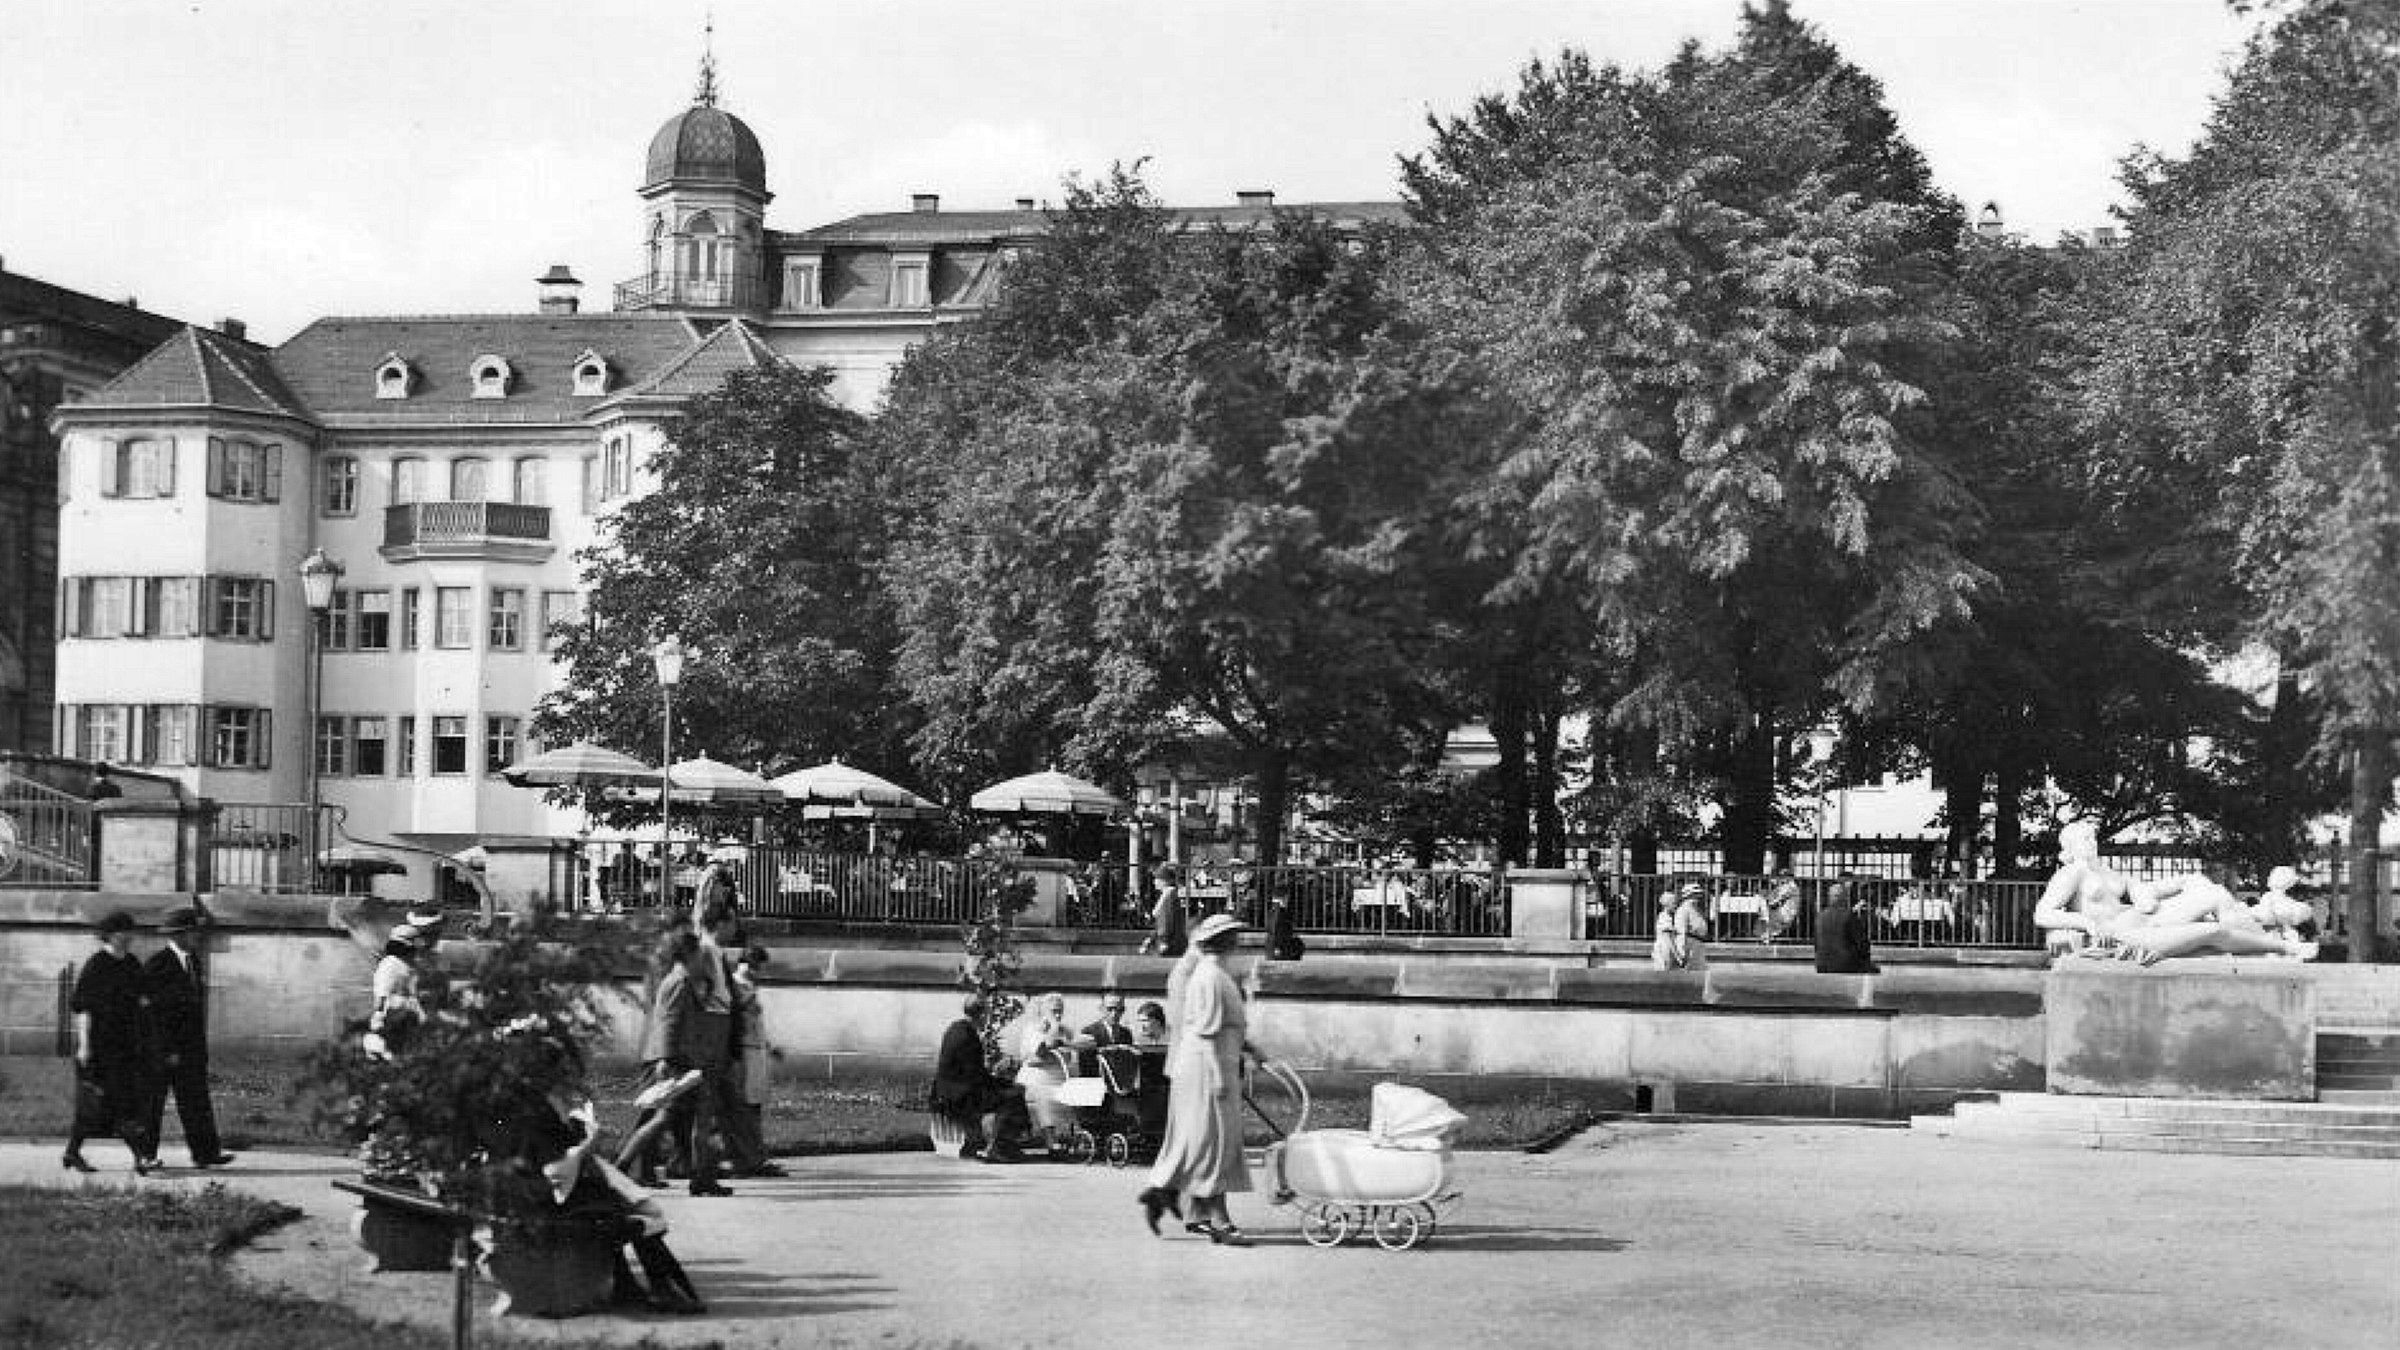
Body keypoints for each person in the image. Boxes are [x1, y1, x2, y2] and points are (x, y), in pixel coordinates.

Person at [1139, 913, 1260, 1245]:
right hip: (1207, 1069)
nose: (1238, 942)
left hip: (1215, 1064)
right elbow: (1201, 1031)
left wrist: (1250, 1049)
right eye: (1233, 936)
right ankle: (1217, 1219)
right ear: (1224, 942)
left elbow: (1222, 1025)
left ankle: (1172, 1197)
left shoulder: (1215, 974)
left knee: (1208, 1142)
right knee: (1214, 1143)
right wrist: (1218, 1076)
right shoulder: (1206, 976)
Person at [65, 910, 158, 1174]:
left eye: (131, 932)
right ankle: (140, 1157)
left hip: (127, 1045)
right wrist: (84, 1046)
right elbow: (83, 1008)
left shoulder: (132, 964)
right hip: (100, 1045)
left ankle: (72, 1152)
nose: (129, 937)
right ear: (111, 935)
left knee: (119, 1102)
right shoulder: (97, 965)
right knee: (107, 1102)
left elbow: (142, 997)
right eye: (123, 932)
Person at [142, 907, 234, 1168]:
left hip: (190, 1049)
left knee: (196, 1101)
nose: (198, 936)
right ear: (179, 934)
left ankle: (205, 1153)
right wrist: (166, 1048)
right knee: (153, 1104)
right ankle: (146, 1155)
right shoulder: (159, 964)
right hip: (165, 1050)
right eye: (193, 932)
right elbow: (153, 1014)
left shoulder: (193, 961)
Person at [929, 995, 1029, 1162]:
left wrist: (997, 1079)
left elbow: (972, 1073)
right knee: (1013, 1097)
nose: (988, 1019)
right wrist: (1001, 1081)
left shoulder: (955, 1028)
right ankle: (1000, 1148)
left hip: (947, 1091)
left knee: (1008, 1090)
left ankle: (987, 1143)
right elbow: (975, 1077)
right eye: (988, 1014)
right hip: (960, 1096)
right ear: (982, 1015)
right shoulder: (968, 1037)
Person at [723, 944, 786, 1178]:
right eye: (754, 966)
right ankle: (746, 1158)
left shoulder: (749, 987)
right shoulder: (735, 986)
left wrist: (769, 1047)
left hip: (756, 1050)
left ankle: (757, 1155)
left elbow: (756, 1025)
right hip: (743, 1053)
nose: (758, 971)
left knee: (755, 1105)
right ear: (745, 963)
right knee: (745, 1107)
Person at [1015, 990, 1077, 1146]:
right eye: (1053, 1011)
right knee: (1042, 1095)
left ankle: (1081, 1139)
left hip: (1060, 1080)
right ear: (1043, 1011)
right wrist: (1054, 1031)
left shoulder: (1067, 1031)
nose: (1057, 1016)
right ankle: (1052, 1142)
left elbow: (1068, 1056)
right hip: (1035, 1082)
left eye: (1060, 1012)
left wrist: (1047, 1056)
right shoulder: (1033, 1029)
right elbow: (1041, 1053)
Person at [364, 923, 432, 1060]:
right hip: (393, 1021)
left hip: (409, 1020)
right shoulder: (390, 965)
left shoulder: (410, 965)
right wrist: (378, 1019)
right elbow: (382, 995)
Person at [1813, 881, 1879, 974]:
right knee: (1874, 969)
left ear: (1829, 898)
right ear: (1844, 898)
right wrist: (1866, 960)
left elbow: (1816, 943)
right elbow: (1862, 943)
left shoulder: (1820, 917)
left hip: (1822, 965)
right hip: (1846, 964)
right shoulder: (1849, 916)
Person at [1651, 882, 1711, 972]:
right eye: (1695, 895)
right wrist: (1681, 953)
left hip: (1698, 945)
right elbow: (1680, 932)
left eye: (1698, 895)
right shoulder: (1683, 910)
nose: (1697, 898)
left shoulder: (1696, 910)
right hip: (1687, 946)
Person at [1140, 862, 1189, 957]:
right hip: (1169, 942)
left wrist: (1163, 941)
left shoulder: (1169, 897)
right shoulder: (1168, 895)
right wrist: (1151, 938)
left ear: (1165, 881)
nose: (1154, 882)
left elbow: (1166, 921)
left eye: (1157, 879)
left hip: (1170, 944)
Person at [1758, 877, 1802, 943]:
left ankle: (1767, 938)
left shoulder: (1791, 887)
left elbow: (1775, 901)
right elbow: (1773, 898)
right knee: (1764, 914)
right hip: (1782, 912)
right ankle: (1766, 937)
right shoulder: (1783, 886)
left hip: (1785, 914)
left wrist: (1768, 900)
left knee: (1766, 916)